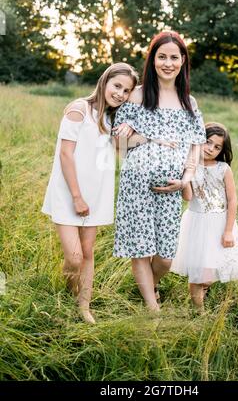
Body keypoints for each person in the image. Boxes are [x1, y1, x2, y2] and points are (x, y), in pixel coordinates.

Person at [112, 31, 206, 312]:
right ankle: (153, 310)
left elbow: (196, 147)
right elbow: (118, 145)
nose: (168, 63)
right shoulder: (138, 96)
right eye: (161, 56)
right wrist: (130, 134)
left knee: (165, 257)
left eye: (173, 57)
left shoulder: (190, 102)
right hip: (136, 183)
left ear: (183, 61)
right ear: (152, 60)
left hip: (171, 187)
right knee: (141, 249)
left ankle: (148, 287)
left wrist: (186, 179)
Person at [42, 63, 138, 323]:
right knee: (74, 257)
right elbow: (65, 153)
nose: (120, 93)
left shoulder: (112, 118)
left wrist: (132, 129)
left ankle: (84, 306)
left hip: (97, 193)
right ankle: (69, 290)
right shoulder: (79, 109)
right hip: (69, 192)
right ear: (104, 81)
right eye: (116, 86)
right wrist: (76, 196)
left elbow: (125, 150)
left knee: (88, 251)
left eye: (126, 90)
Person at [171, 122, 238, 309]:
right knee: (198, 272)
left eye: (217, 147)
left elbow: (232, 200)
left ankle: (204, 287)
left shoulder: (223, 169)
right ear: (198, 140)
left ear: (222, 150)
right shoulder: (189, 165)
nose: (211, 148)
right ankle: (199, 312)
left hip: (219, 223)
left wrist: (228, 231)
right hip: (196, 223)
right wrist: (186, 175)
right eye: (208, 142)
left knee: (212, 272)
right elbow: (188, 197)